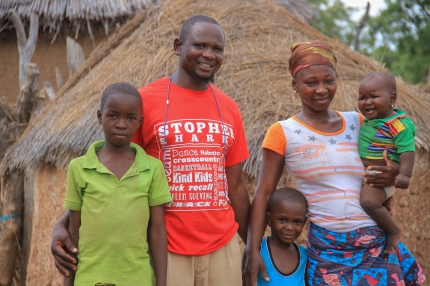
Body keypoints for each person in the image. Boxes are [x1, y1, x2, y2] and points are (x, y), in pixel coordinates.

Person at [51, 15, 250, 286]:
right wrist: (62, 223)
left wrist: (252, 244)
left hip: (222, 246)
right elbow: (113, 165)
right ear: (178, 46)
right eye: (200, 45)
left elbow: (236, 186)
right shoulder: (144, 102)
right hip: (168, 245)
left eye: (217, 49)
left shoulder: (229, 108)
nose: (209, 55)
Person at [243, 41, 426, 285]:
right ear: (294, 85)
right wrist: (252, 250)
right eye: (311, 83)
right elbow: (264, 193)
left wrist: (393, 175)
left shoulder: (360, 122)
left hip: (375, 244)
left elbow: (392, 162)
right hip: (329, 251)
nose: (321, 89)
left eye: (328, 81)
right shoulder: (283, 132)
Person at [63, 82, 172, 286]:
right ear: (99, 117)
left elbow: (157, 230)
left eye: (130, 118)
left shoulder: (152, 169)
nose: (121, 124)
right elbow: (73, 231)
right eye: (113, 115)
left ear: (140, 121)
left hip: (137, 278)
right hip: (89, 278)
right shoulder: (79, 168)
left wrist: (162, 282)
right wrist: (68, 282)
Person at [358, 71, 416, 254]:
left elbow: (407, 151)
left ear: (392, 98)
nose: (367, 102)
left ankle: (393, 230)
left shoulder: (398, 124)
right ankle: (387, 205)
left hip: (380, 174)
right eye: (362, 97)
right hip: (369, 172)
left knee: (368, 201)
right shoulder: (370, 121)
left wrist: (404, 174)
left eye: (373, 96)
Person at [242, 187, 308, 286]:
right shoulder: (257, 251)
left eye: (297, 222)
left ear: (304, 223)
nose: (290, 227)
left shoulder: (305, 255)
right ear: (269, 219)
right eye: (282, 220)